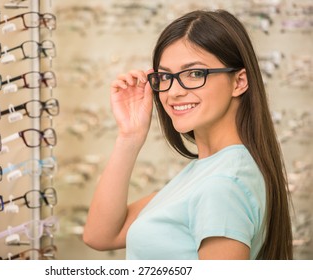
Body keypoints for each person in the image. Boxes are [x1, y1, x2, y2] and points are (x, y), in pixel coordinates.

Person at [83, 9, 293, 260]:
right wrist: (129, 136)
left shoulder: (224, 184)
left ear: (239, 82)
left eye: (195, 73)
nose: (173, 92)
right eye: (166, 77)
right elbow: (101, 234)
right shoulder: (208, 170)